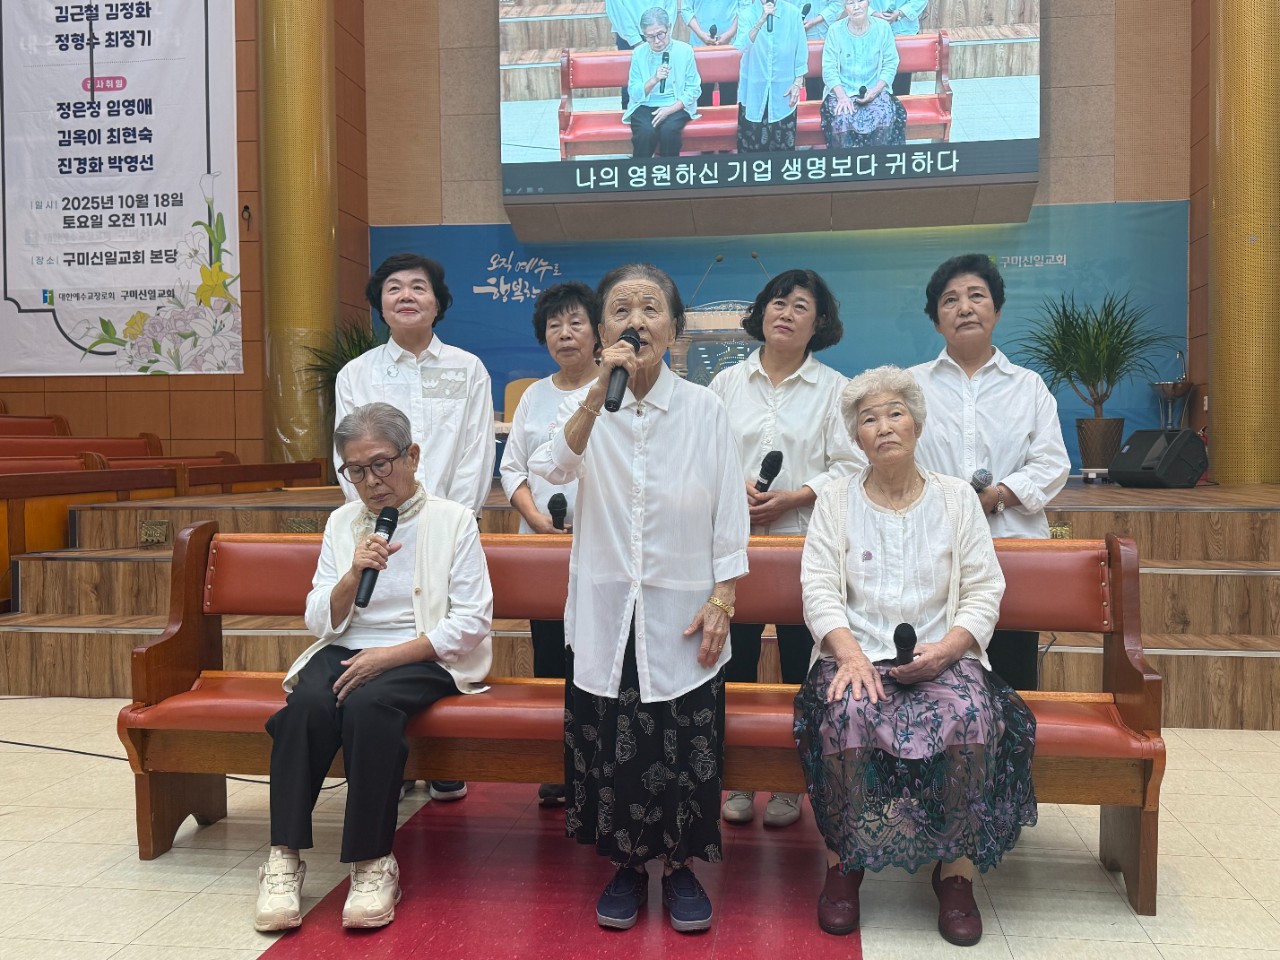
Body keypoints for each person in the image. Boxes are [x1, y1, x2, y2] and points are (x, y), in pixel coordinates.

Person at [529, 263, 749, 934]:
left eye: (651, 308)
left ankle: (681, 869)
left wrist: (723, 597)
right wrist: (600, 390)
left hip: (683, 608)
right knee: (616, 741)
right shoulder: (588, 406)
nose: (636, 321)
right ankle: (625, 865)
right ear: (602, 333)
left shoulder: (706, 409)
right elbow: (552, 470)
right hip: (607, 608)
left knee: (683, 738)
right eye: (620, 310)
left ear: (674, 329)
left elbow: (730, 513)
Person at [794, 366, 1037, 946]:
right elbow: (819, 588)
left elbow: (984, 589)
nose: (883, 427)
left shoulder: (956, 498)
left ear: (917, 426)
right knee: (846, 713)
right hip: (857, 654)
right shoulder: (836, 500)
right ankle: (844, 863)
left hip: (943, 655)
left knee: (971, 717)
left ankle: (956, 873)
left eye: (895, 413)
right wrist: (850, 655)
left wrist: (950, 650)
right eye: (868, 419)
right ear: (856, 438)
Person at [254, 403, 493, 932]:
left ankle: (373, 862)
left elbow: (472, 621)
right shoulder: (342, 522)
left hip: (424, 653)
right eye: (356, 470)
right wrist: (351, 575)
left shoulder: (453, 520)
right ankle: (283, 858)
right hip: (348, 646)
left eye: (381, 464)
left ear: (412, 456)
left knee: (369, 704)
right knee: (306, 706)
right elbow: (319, 617)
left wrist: (390, 656)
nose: (371, 481)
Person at [335, 253, 495, 804]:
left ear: (438, 302)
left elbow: (476, 452)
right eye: (394, 288)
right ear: (380, 305)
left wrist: (454, 521)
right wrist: (372, 519)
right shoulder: (356, 374)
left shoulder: (469, 369)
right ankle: (396, 761)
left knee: (444, 639)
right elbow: (348, 456)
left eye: (419, 287)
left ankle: (446, 761)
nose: (406, 295)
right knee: (389, 631)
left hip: (450, 528)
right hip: (379, 527)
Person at [709, 269, 861, 828]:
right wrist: (734, 490)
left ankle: (794, 783)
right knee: (734, 667)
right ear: (761, 312)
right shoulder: (726, 384)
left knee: (804, 667)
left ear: (818, 323)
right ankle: (739, 777)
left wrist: (796, 496)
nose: (786, 313)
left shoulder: (836, 390)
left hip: (806, 548)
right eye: (778, 302)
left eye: (801, 306)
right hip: (734, 548)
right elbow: (702, 456)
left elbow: (851, 466)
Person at [909, 253, 1071, 691]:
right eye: (950, 300)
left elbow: (1052, 463)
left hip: (1011, 547)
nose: (964, 308)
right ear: (936, 321)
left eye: (976, 296)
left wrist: (996, 496)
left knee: (1012, 679)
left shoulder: (1028, 386)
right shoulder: (910, 387)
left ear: (996, 310)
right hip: (932, 551)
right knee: (936, 679)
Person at [499, 281, 600, 807]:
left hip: (600, 547)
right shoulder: (533, 396)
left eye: (576, 322)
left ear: (598, 331)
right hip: (542, 546)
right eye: (554, 325)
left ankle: (600, 759)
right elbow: (512, 468)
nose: (565, 333)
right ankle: (558, 766)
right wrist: (536, 518)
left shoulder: (615, 390)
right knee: (548, 652)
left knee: (597, 652)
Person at [820, 0, 907, 149]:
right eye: (850, 3)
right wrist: (842, 97)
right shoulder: (835, 30)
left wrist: (875, 91)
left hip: (875, 91)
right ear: (844, 7)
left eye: (860, 1)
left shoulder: (883, 28)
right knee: (842, 118)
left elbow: (890, 63)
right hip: (842, 93)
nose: (856, 7)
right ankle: (848, 162)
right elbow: (828, 68)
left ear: (868, 3)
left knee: (884, 115)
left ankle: (878, 161)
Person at [622, 7, 703, 159]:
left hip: (676, 104)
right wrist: (654, 79)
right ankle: (641, 171)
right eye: (650, 37)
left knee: (669, 130)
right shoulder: (639, 53)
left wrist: (670, 109)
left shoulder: (685, 51)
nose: (657, 41)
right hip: (644, 105)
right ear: (644, 34)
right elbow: (634, 92)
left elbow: (694, 89)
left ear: (669, 28)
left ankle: (669, 171)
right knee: (645, 131)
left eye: (660, 34)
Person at [734, 1, 810, 153]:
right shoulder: (746, 14)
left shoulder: (793, 13)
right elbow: (742, 46)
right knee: (751, 150)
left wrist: (797, 83)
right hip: (754, 90)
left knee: (782, 151)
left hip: (783, 90)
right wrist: (761, 21)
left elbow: (801, 50)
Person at [606, 0, 680, 110]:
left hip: (660, 34)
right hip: (629, 38)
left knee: (665, 78)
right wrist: (636, 41)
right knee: (631, 84)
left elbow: (670, 6)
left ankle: (665, 114)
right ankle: (631, 116)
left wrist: (664, 34)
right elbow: (617, 10)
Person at [684, 0, 740, 106]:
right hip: (700, 45)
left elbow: (745, 8)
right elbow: (686, 9)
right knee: (702, 93)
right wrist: (701, 34)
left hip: (729, 45)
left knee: (729, 92)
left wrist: (730, 34)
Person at [871, 0, 929, 95]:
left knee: (901, 83)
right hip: (871, 29)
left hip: (904, 30)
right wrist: (872, 13)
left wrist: (900, 13)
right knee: (871, 79)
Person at [802, 1, 847, 102]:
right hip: (791, 29)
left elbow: (837, 4)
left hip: (821, 31)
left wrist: (815, 20)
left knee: (822, 76)